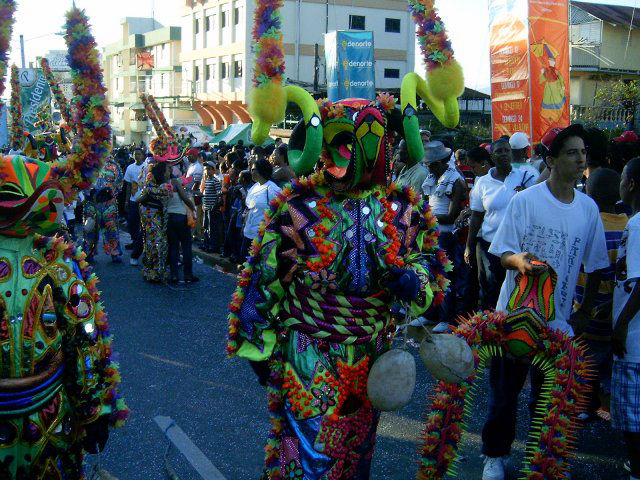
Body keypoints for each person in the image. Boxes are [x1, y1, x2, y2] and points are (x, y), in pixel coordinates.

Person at [481, 124, 610, 480]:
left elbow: (597, 265)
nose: (580, 158)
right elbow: (502, 252)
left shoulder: (588, 209)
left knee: (550, 398)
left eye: (582, 152)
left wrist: (584, 311)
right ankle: (495, 456)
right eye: (571, 152)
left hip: (557, 325)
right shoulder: (526, 201)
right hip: (516, 317)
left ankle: (544, 459)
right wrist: (518, 261)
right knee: (504, 394)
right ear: (551, 160)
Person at [570, 168, 628, 420]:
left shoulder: (587, 225)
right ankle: (610, 406)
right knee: (611, 367)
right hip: (616, 315)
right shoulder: (628, 225)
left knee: (585, 362)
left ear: (589, 193)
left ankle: (586, 405)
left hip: (587, 312)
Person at [465, 139, 538, 311]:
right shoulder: (482, 183)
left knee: (516, 290)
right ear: (492, 156)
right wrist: (469, 245)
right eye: (499, 151)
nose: (504, 154)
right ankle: (490, 329)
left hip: (516, 247)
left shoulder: (525, 178)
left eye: (507, 150)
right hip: (489, 246)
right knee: (491, 290)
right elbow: (476, 216)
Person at [611, 157, 640, 480]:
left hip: (633, 338)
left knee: (632, 417)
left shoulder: (637, 225)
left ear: (631, 184)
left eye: (623, 178)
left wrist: (620, 326)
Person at [421, 141, 466, 333]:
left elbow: (451, 216)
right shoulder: (432, 178)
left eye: (431, 164)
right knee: (431, 275)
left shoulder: (456, 180)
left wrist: (426, 215)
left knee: (445, 277)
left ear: (440, 162)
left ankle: (446, 317)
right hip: (431, 233)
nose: (429, 167)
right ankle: (431, 314)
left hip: (446, 235)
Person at [83, 156, 124, 263]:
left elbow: (119, 183)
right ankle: (88, 252)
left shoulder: (114, 165)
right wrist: (88, 193)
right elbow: (82, 182)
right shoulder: (88, 164)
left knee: (112, 228)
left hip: (109, 203)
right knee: (90, 228)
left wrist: (110, 193)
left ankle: (114, 253)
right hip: (92, 203)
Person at [138, 162, 174, 283]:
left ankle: (156, 270)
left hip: (159, 217)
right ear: (162, 172)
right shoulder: (154, 185)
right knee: (155, 242)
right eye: (168, 170)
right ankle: (154, 271)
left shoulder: (162, 185)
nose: (170, 172)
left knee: (159, 242)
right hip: (150, 216)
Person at [240, 158, 282, 261]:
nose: (251, 171)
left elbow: (279, 211)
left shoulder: (272, 189)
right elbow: (249, 207)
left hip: (261, 237)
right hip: (248, 232)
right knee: (244, 261)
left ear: (261, 171)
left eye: (253, 169)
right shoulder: (254, 186)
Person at [167, 172, 199, 283]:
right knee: (186, 246)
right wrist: (193, 209)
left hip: (169, 218)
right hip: (180, 217)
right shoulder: (174, 182)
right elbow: (185, 199)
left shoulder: (159, 183)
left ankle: (174, 275)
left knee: (173, 247)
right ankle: (188, 275)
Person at [123, 148, 145, 265]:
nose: (137, 156)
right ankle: (135, 240)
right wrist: (126, 200)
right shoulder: (130, 168)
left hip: (144, 200)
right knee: (132, 222)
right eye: (135, 154)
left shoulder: (147, 167)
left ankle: (138, 243)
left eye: (139, 154)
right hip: (133, 199)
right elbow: (128, 185)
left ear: (143, 155)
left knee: (143, 224)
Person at [200, 160, 223, 253]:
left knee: (212, 228)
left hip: (212, 208)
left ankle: (213, 246)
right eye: (206, 169)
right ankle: (206, 244)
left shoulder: (215, 181)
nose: (207, 171)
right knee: (206, 227)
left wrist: (215, 206)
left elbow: (219, 195)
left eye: (209, 169)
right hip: (206, 207)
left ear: (214, 170)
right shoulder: (206, 181)